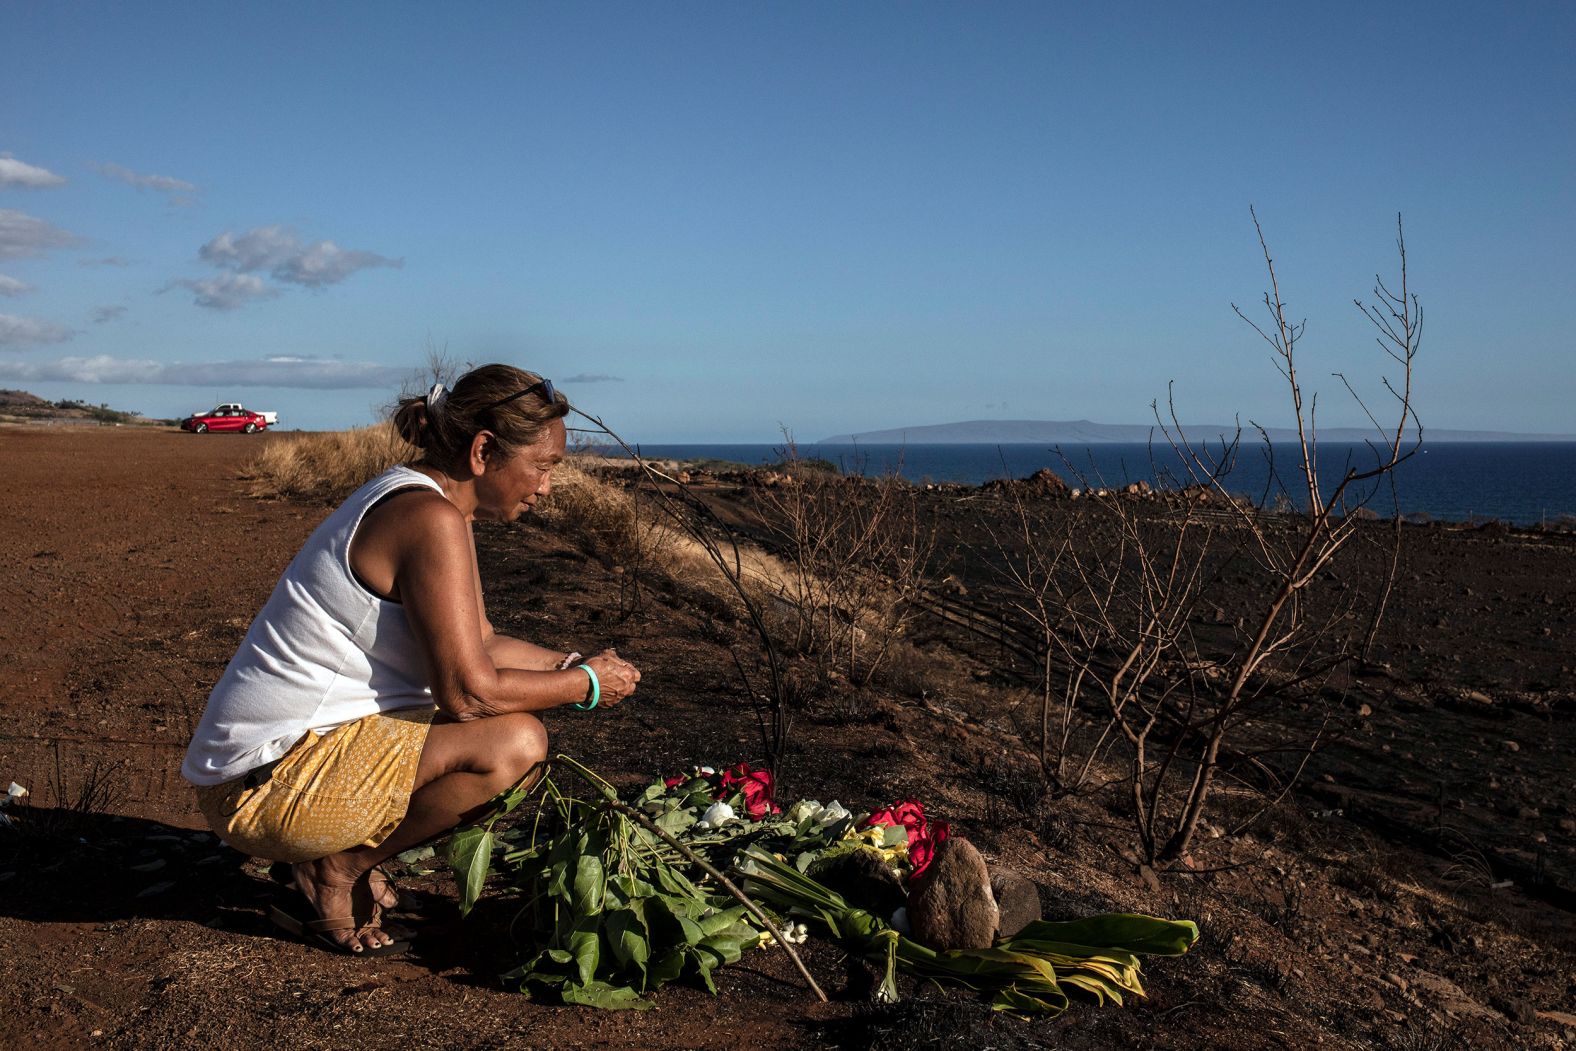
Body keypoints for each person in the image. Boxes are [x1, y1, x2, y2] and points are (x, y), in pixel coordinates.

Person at [181, 364, 640, 955]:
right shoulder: (430, 519)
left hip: (259, 769)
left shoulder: (420, 499)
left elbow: (481, 645)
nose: (546, 487)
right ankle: (336, 869)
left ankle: (335, 856)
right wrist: (584, 685)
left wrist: (575, 664)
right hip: (266, 789)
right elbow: (468, 692)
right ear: (483, 451)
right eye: (544, 466)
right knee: (516, 745)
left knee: (507, 723)